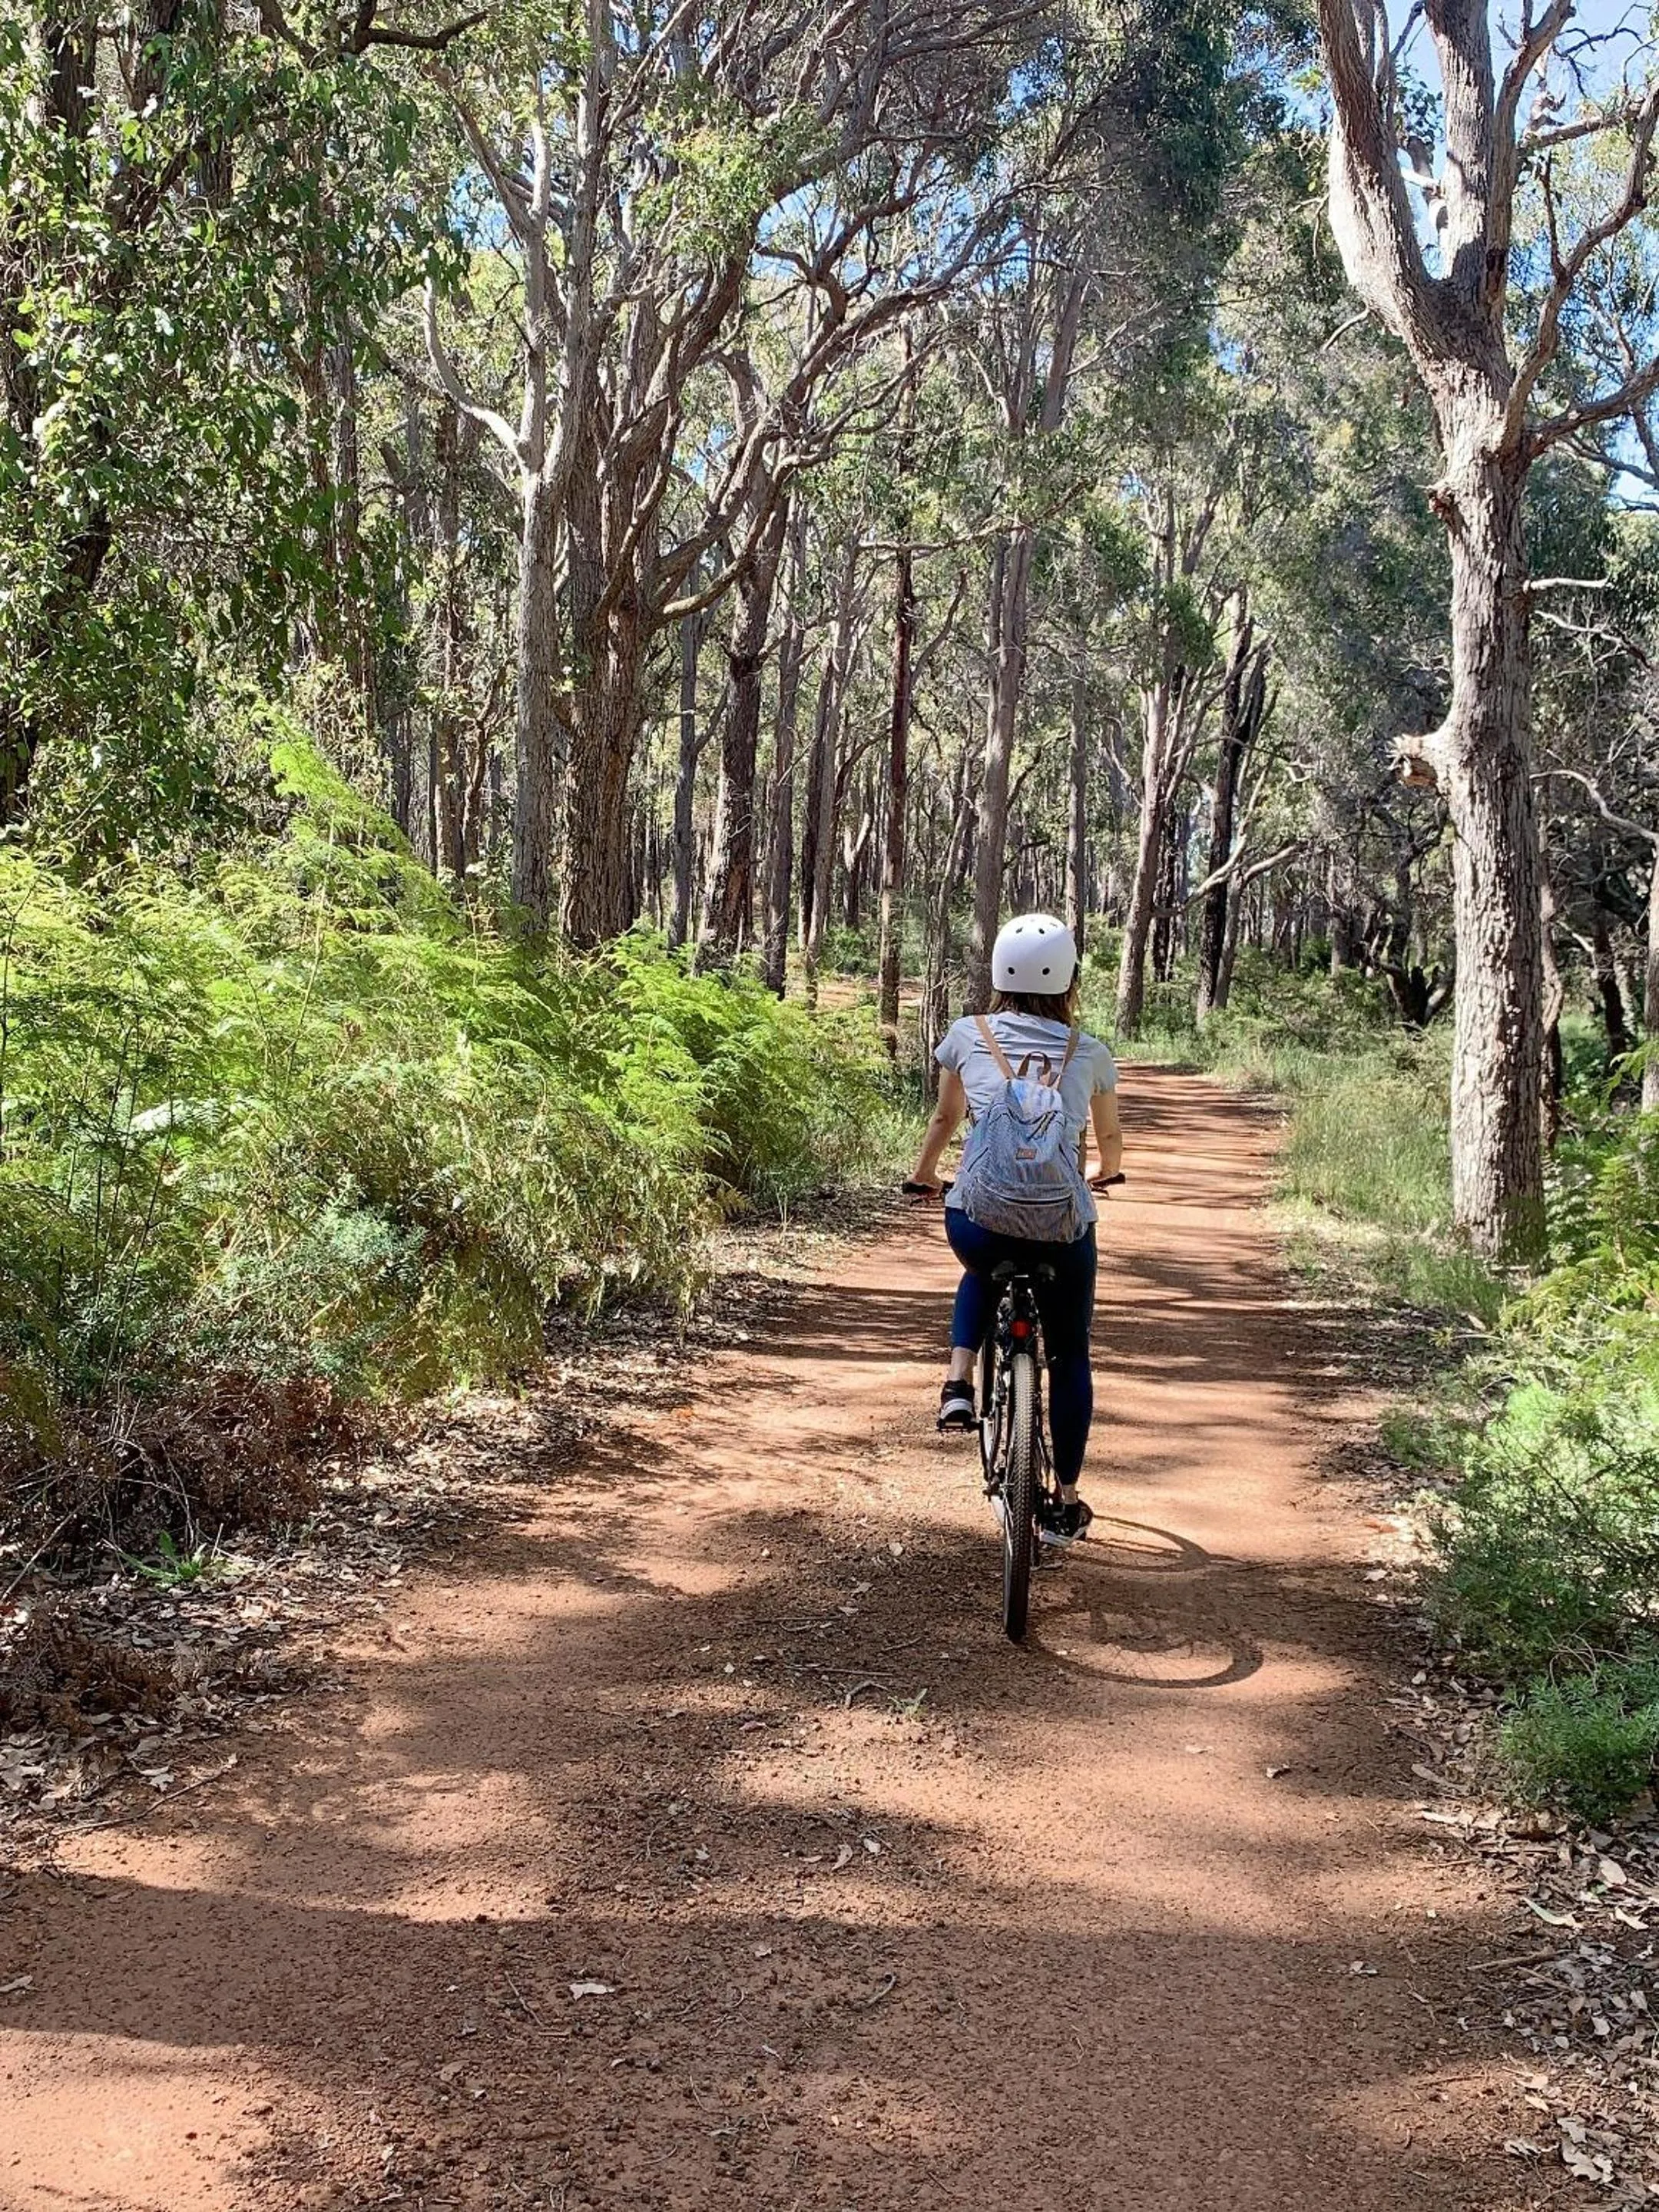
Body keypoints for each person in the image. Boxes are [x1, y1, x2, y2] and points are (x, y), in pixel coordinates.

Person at [904, 913, 1121, 1544]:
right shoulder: (1090, 1051)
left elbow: (945, 1120)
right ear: (1070, 979)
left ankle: (958, 1381)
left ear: (999, 972)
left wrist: (924, 1176)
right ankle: (1066, 1502)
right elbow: (1109, 1139)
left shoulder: (968, 1034)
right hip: (1061, 1227)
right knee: (1070, 1352)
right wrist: (1105, 1173)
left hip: (982, 1219)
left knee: (981, 1260)